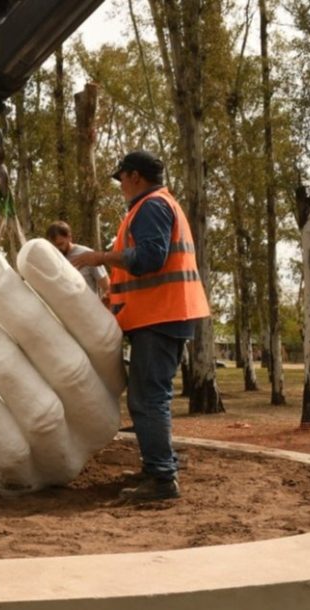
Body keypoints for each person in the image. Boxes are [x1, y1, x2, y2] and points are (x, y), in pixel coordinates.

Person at [70, 150, 210, 502]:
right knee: (148, 397)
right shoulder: (155, 206)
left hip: (161, 316)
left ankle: (162, 478)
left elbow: (150, 258)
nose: (120, 188)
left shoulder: (151, 207)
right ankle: (157, 467)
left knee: (148, 399)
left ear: (134, 177)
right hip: (161, 315)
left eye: (121, 180)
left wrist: (100, 257)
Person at [45, 220, 110, 302]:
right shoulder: (53, 259)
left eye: (60, 244)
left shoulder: (88, 255)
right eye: (54, 246)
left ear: (69, 237)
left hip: (90, 311)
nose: (58, 249)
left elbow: (107, 287)